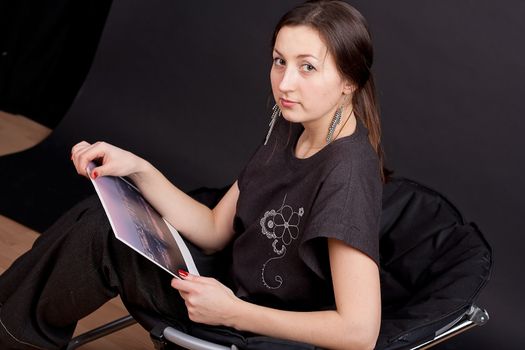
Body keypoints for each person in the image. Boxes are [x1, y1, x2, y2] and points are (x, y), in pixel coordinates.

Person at [0, 1, 385, 349]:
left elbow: (359, 331)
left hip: (253, 327)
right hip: (224, 289)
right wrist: (137, 168)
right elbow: (215, 228)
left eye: (307, 67)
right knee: (101, 220)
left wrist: (233, 312)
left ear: (349, 81)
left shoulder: (346, 176)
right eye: (279, 61)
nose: (284, 83)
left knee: (97, 238)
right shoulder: (293, 125)